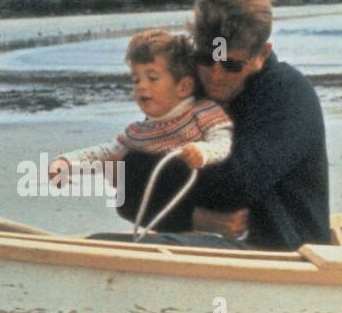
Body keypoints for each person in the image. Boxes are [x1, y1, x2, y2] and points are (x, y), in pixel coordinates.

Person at [93, 0, 331, 250]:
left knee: (102, 246)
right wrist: (195, 217)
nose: (216, 75)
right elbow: (127, 194)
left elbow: (234, 185)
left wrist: (140, 165)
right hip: (212, 244)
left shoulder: (288, 94)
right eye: (206, 59)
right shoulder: (188, 87)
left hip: (286, 253)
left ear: (262, 54)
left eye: (231, 65)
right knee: (99, 244)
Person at [49, 29, 232, 232]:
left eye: (152, 78)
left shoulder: (202, 113)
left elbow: (223, 142)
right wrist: (67, 162)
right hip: (167, 218)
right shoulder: (142, 131)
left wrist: (204, 151)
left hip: (211, 211)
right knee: (128, 165)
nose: (141, 86)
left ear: (184, 87)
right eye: (136, 80)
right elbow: (106, 152)